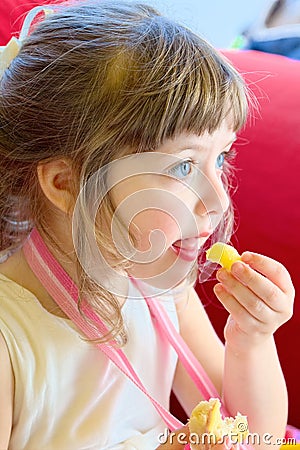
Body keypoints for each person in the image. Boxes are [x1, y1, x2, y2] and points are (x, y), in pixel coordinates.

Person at [0, 2, 294, 449]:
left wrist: (250, 339)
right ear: (66, 182)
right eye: (182, 168)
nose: (217, 200)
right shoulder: (10, 342)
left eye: (222, 158)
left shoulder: (160, 286)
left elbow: (257, 438)